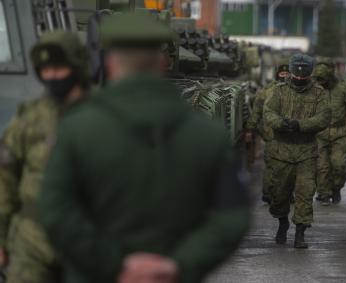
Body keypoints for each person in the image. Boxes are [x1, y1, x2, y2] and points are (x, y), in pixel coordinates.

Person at [39, 13, 251, 283]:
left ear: (107, 63)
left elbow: (56, 213)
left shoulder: (76, 129)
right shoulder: (208, 134)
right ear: (163, 62)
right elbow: (233, 216)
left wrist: (115, 266)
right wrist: (177, 266)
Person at [0, 31, 89, 283]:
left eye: (59, 68)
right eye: (45, 69)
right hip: (31, 240)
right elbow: (5, 178)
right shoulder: (29, 118)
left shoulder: (104, 116)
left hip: (87, 241)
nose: (51, 76)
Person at [263, 54, 331, 248]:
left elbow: (324, 117)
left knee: (305, 193)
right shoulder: (278, 92)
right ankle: (282, 222)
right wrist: (282, 124)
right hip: (281, 152)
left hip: (306, 152)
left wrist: (300, 125)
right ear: (291, 72)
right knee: (279, 194)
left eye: (304, 76)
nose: (300, 79)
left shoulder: (319, 93)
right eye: (296, 75)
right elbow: (268, 113)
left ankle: (300, 232)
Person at [313, 58, 346, 205]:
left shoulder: (343, 89)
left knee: (338, 164)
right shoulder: (314, 89)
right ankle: (323, 194)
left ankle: (336, 188)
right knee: (321, 166)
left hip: (340, 133)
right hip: (319, 133)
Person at [246, 57, 289, 204]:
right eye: (282, 74)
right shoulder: (268, 90)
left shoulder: (297, 90)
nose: (284, 76)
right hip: (272, 134)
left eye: (287, 73)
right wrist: (250, 129)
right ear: (278, 74)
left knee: (289, 167)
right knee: (271, 165)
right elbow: (257, 110)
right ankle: (268, 193)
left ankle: (287, 194)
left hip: (291, 135)